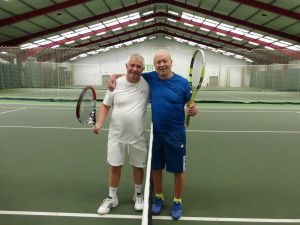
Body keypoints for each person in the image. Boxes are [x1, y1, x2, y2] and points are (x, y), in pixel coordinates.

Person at [108, 50, 198, 220]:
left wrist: (194, 110)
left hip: (176, 134)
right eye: (158, 62)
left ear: (171, 62)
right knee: (156, 168)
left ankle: (177, 201)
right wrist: (113, 75)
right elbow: (133, 73)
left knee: (178, 170)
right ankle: (158, 197)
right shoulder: (151, 78)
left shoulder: (183, 83)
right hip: (157, 134)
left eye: (164, 61)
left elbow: (191, 104)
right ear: (154, 65)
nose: (161, 65)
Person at [93, 53, 150, 215]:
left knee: (138, 167)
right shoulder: (116, 84)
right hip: (116, 136)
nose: (134, 69)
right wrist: (99, 123)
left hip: (137, 137)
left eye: (138, 67)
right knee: (115, 167)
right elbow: (105, 105)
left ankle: (138, 194)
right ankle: (112, 197)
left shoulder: (147, 84)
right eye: (132, 65)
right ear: (126, 66)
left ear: (143, 69)